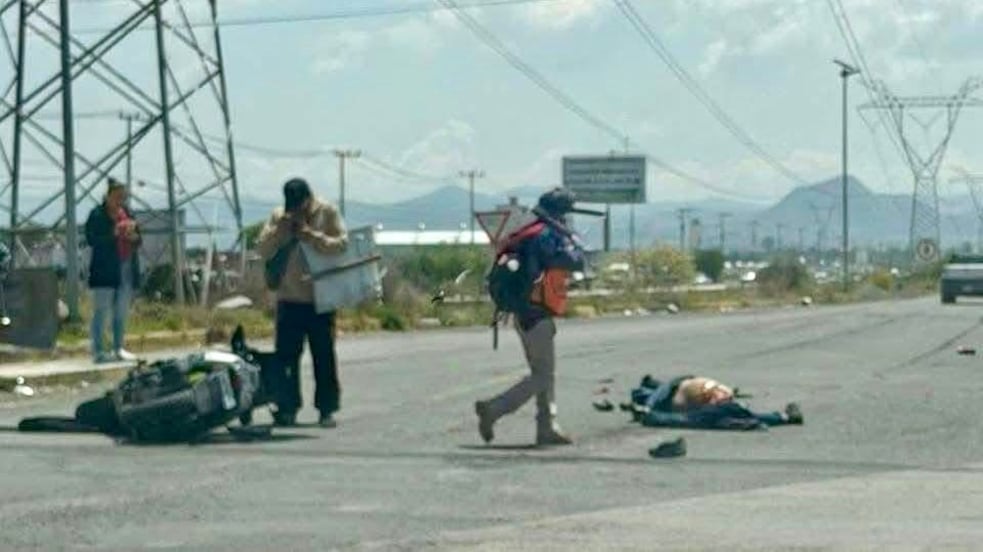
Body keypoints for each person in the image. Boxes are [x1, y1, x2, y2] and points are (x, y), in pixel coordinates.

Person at [474, 188, 586, 446]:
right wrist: (572, 241)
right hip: (535, 313)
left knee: (542, 372)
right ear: (559, 213)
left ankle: (547, 427)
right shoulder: (546, 236)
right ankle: (495, 408)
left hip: (525, 312)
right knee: (543, 376)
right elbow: (573, 261)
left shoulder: (531, 233)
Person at [256, 178, 348, 428]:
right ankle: (287, 407)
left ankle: (326, 409)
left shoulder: (327, 213)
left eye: (299, 206)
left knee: (324, 357)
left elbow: (341, 245)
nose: (295, 211)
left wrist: (311, 236)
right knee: (285, 359)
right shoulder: (279, 216)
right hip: (289, 298)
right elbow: (262, 248)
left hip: (320, 299)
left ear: (309, 199)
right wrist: (280, 231)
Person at [84, 178, 141, 363]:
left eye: (122, 196)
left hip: (125, 266)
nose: (119, 200)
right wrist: (113, 234)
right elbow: (92, 239)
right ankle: (98, 350)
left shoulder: (128, 214)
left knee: (121, 311)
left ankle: (118, 347)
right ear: (107, 196)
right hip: (104, 270)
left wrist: (133, 236)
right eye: (116, 196)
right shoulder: (97, 215)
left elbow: (139, 240)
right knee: (102, 310)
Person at [619, 374, 803, 430]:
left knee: (693, 420)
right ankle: (783, 417)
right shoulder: (686, 387)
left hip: (710, 404)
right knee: (723, 417)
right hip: (722, 404)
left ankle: (782, 417)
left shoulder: (677, 386)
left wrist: (648, 410)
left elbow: (661, 393)